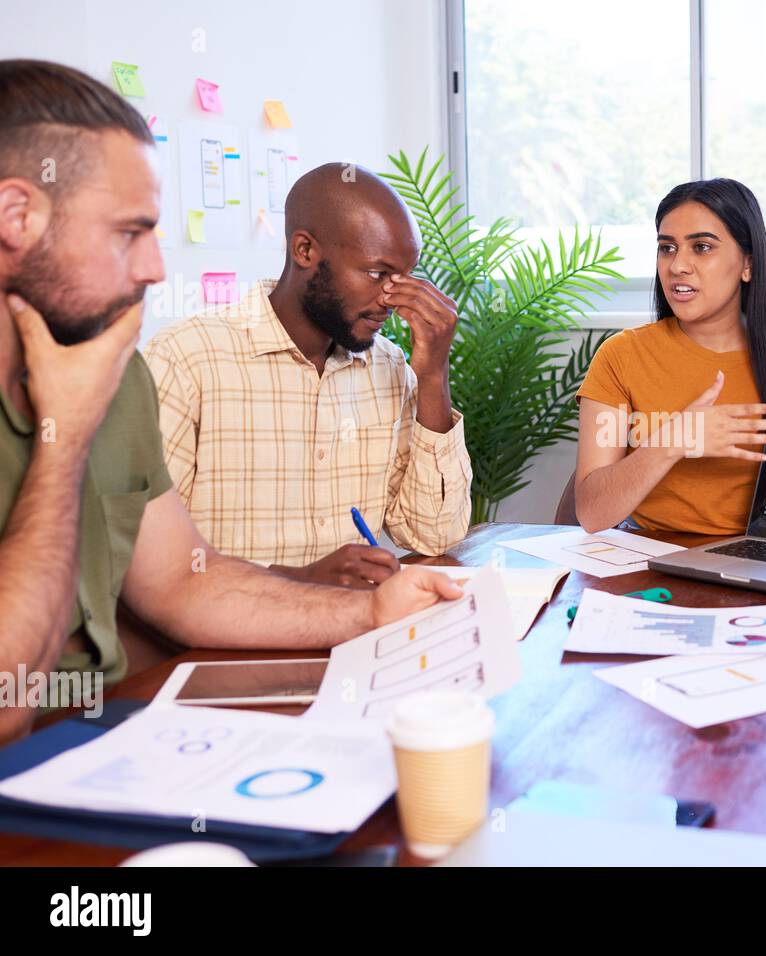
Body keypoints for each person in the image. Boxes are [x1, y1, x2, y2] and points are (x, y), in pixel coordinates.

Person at [0, 59, 461, 744]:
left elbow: (183, 584)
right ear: (17, 216)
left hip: (120, 733)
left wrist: (370, 614)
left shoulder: (114, 376)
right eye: (129, 232)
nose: (157, 267)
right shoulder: (154, 368)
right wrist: (64, 442)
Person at [144, 163, 471, 588]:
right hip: (224, 643)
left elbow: (434, 535)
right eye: (378, 274)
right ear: (304, 251)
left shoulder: (389, 368)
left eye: (405, 278)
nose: (392, 298)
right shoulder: (185, 361)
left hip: (357, 633)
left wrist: (432, 377)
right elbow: (146, 559)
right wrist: (298, 579)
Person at [575, 178, 766, 534]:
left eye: (701, 247)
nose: (677, 266)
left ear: (748, 264)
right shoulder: (621, 356)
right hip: (649, 562)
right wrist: (673, 441)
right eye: (667, 248)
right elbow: (593, 514)